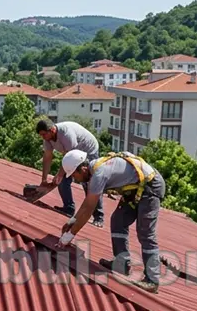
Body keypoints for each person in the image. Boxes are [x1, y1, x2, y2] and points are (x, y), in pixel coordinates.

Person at [59, 149, 166, 292]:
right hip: (134, 190)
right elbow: (87, 203)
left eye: (75, 175)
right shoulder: (94, 171)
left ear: (83, 168)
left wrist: (69, 236)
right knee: (118, 221)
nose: (76, 179)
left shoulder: (99, 173)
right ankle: (122, 263)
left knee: (145, 233)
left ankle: (152, 280)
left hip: (150, 187)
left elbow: (90, 207)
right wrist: (73, 220)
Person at [36, 119, 104, 226]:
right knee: (62, 180)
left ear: (52, 130)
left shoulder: (66, 134)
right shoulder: (47, 139)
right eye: (41, 135)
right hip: (73, 155)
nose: (43, 137)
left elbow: (71, 156)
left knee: (89, 182)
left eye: (44, 134)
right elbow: (47, 157)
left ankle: (98, 217)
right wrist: (44, 180)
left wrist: (59, 174)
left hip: (88, 151)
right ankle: (69, 208)